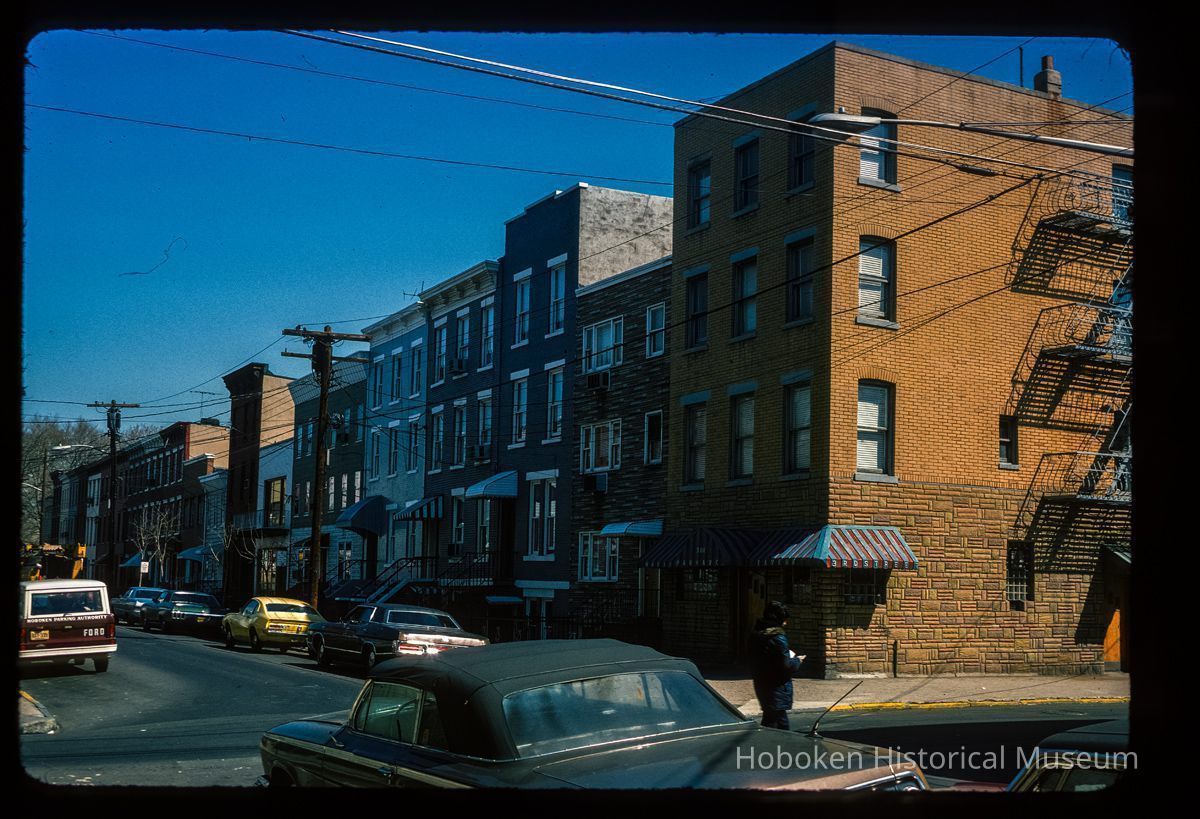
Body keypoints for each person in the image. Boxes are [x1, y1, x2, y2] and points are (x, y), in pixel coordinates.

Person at [749, 601, 804, 730]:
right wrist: (797, 661)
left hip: (761, 683)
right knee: (780, 726)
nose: (785, 623)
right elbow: (784, 666)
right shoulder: (778, 638)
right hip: (777, 687)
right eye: (784, 620)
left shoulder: (756, 634)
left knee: (770, 720)